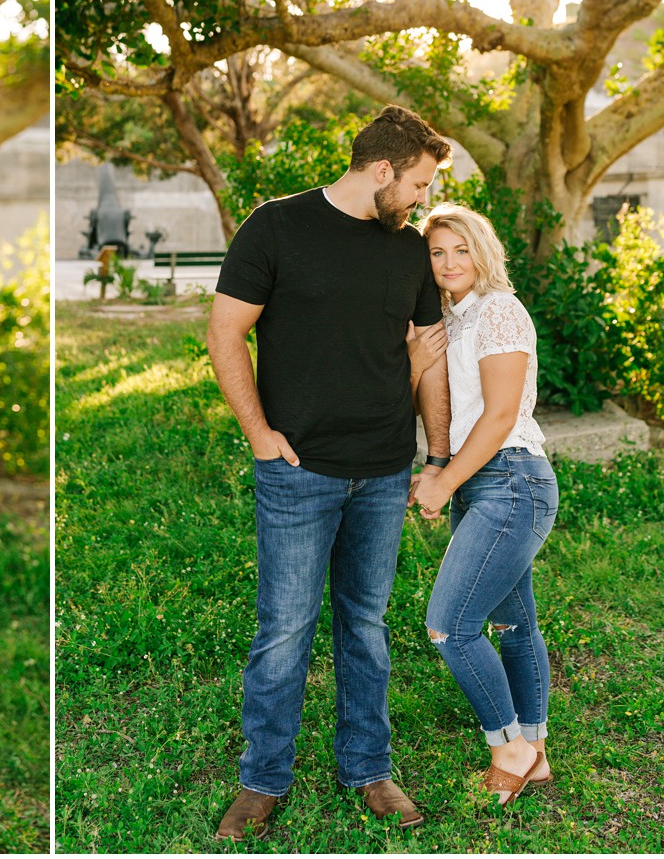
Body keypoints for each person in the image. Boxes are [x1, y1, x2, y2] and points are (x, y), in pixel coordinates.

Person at [207, 105, 454, 840]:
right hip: (297, 470)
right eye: (417, 183)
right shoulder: (275, 226)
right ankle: (262, 781)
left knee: (366, 626)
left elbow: (430, 355)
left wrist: (436, 454)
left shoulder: (408, 250)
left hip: (382, 470)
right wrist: (258, 432)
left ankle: (369, 768)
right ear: (382, 171)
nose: (421, 199)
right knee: (284, 629)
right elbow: (225, 332)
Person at [410, 203, 558, 804]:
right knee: (514, 622)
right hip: (485, 483)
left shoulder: (498, 310)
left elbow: (498, 417)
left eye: (460, 249)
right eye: (437, 252)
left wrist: (443, 484)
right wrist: (440, 468)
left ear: (483, 252)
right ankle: (536, 751)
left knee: (450, 625)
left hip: (512, 480)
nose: (449, 262)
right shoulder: (452, 318)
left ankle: (510, 748)